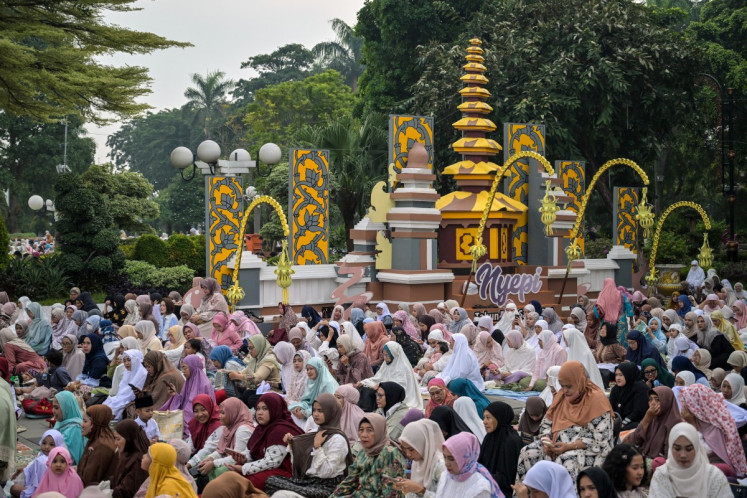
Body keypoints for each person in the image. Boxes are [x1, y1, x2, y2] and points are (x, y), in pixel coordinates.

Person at [517, 360, 614, 482]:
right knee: (528, 452)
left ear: (579, 382)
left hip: (589, 450)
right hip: (557, 446)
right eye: (562, 386)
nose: (565, 390)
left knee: (564, 461)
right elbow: (546, 423)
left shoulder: (596, 399)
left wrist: (569, 446)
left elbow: (600, 438)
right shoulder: (562, 397)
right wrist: (547, 441)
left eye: (569, 386)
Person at [265, 393, 352, 497]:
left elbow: (326, 473)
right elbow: (301, 463)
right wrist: (292, 445)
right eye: (314, 410)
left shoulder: (338, 439)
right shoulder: (315, 432)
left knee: (282, 493)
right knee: (271, 480)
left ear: (331, 412)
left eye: (320, 411)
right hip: (308, 482)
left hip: (328, 486)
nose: (315, 414)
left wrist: (318, 447)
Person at [231, 393, 303, 490]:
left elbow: (272, 462)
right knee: (235, 471)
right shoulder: (261, 428)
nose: (259, 412)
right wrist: (244, 459)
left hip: (284, 471)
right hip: (268, 467)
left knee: (248, 482)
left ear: (275, 410)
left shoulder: (280, 430)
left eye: (265, 409)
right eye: (258, 408)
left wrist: (245, 468)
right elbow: (253, 451)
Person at [330, 413, 406, 497]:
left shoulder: (389, 453)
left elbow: (392, 492)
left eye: (369, 430)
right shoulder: (363, 452)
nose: (364, 435)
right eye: (361, 430)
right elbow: (350, 481)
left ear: (379, 431)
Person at [679, 383, 747, 477]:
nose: (685, 407)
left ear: (698, 404)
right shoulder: (697, 420)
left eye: (688, 403)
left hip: (717, 470)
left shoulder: (716, 424)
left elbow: (704, 453)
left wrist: (693, 426)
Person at [649, 422, 731, 497]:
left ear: (697, 448)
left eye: (689, 449)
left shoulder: (713, 477)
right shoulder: (662, 476)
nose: (683, 455)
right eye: (677, 449)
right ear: (670, 448)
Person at [189, 398, 255, 481]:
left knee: (218, 470)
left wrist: (213, 463)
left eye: (223, 413)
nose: (219, 416)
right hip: (229, 460)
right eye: (220, 412)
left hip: (241, 466)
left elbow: (237, 458)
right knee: (205, 460)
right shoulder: (228, 427)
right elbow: (221, 451)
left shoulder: (243, 429)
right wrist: (211, 458)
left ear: (232, 413)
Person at [388, 418, 445, 497]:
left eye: (411, 449)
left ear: (423, 444)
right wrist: (406, 487)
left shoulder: (440, 465)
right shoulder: (418, 460)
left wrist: (420, 489)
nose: (408, 454)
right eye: (405, 449)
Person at [436, 432, 503, 497]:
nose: (446, 463)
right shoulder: (446, 476)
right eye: (444, 457)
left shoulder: (480, 487)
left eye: (451, 459)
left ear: (466, 458)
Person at [360, 341, 423, 409]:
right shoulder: (386, 364)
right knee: (364, 389)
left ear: (394, 354)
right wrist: (364, 382)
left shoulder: (402, 368)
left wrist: (381, 386)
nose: (385, 358)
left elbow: (400, 387)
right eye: (384, 355)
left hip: (398, 396)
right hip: (385, 391)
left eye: (387, 355)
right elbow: (378, 377)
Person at [478, 401, 523, 496]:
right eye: (484, 418)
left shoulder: (511, 441)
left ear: (499, 418)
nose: (484, 422)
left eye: (488, 418)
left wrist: (482, 475)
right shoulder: (489, 437)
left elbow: (507, 479)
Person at [161, 354, 215, 426]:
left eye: (185, 368)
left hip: (198, 420)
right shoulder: (188, 381)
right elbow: (184, 401)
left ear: (192, 368)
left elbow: (195, 409)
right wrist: (175, 394)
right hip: (185, 416)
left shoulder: (203, 384)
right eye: (182, 368)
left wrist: (179, 419)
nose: (183, 371)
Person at [9, 429, 64, 498]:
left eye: (51, 444)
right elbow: (31, 470)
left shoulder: (43, 461)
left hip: (45, 493)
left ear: (58, 446)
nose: (46, 447)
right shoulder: (46, 456)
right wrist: (23, 470)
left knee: (14, 489)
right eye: (44, 443)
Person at [288, 356, 339, 425]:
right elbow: (307, 400)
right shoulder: (311, 381)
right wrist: (301, 406)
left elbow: (327, 407)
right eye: (307, 369)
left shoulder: (328, 383)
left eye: (311, 369)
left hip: (326, 417)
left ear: (319, 369)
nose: (309, 372)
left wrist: (305, 413)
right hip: (314, 411)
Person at [77, 405, 117, 486]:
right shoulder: (100, 437)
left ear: (94, 424)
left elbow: (89, 479)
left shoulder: (102, 446)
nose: (82, 425)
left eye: (85, 421)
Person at [111, 420, 150, 498]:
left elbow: (127, 491)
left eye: (118, 439)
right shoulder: (128, 455)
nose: (115, 443)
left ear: (129, 439)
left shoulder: (138, 461)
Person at [104, 348, 146, 420]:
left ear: (136, 360)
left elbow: (137, 395)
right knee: (105, 407)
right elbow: (122, 392)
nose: (126, 363)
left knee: (112, 410)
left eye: (129, 360)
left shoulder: (143, 374)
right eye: (124, 360)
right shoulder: (127, 372)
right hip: (121, 398)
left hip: (136, 402)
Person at [608, 361, 649, 431]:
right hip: (619, 420)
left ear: (628, 374)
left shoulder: (641, 388)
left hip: (636, 421)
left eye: (621, 375)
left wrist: (623, 423)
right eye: (616, 375)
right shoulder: (616, 389)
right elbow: (610, 408)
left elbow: (638, 412)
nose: (617, 378)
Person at [51, 391, 84, 464]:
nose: (53, 411)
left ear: (66, 408)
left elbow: (63, 457)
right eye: (53, 407)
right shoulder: (61, 422)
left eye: (56, 408)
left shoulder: (75, 428)